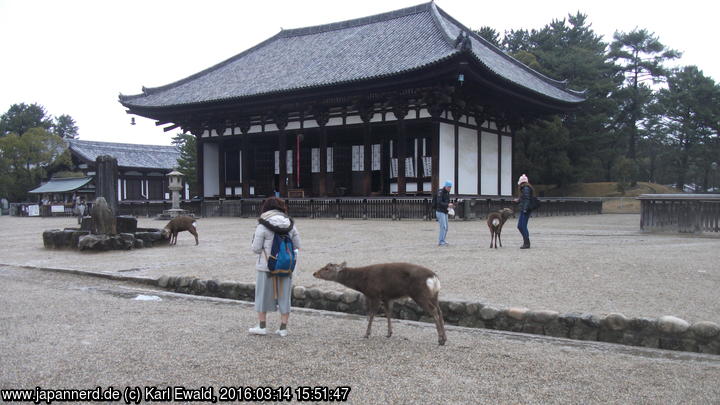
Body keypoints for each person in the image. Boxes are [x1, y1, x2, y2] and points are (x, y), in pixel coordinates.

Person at [249, 196, 301, 337]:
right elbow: (297, 245)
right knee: (285, 296)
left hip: (266, 266)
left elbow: (256, 248)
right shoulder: (290, 224)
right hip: (286, 265)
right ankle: (283, 328)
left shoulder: (262, 225)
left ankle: (262, 326)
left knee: (262, 295)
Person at [515, 174, 533, 249]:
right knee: (520, 226)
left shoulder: (525, 188)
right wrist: (518, 200)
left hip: (525, 210)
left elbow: (527, 199)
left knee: (522, 226)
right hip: (524, 209)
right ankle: (526, 241)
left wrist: (525, 209)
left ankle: (526, 243)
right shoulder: (525, 188)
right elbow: (524, 198)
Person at [435, 180, 454, 246]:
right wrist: (447, 205)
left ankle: (443, 240)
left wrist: (450, 208)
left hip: (445, 211)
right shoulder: (440, 192)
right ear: (445, 186)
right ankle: (441, 241)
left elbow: (447, 202)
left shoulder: (447, 193)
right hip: (440, 212)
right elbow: (439, 202)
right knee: (443, 226)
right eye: (449, 187)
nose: (449, 188)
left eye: (450, 187)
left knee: (446, 227)